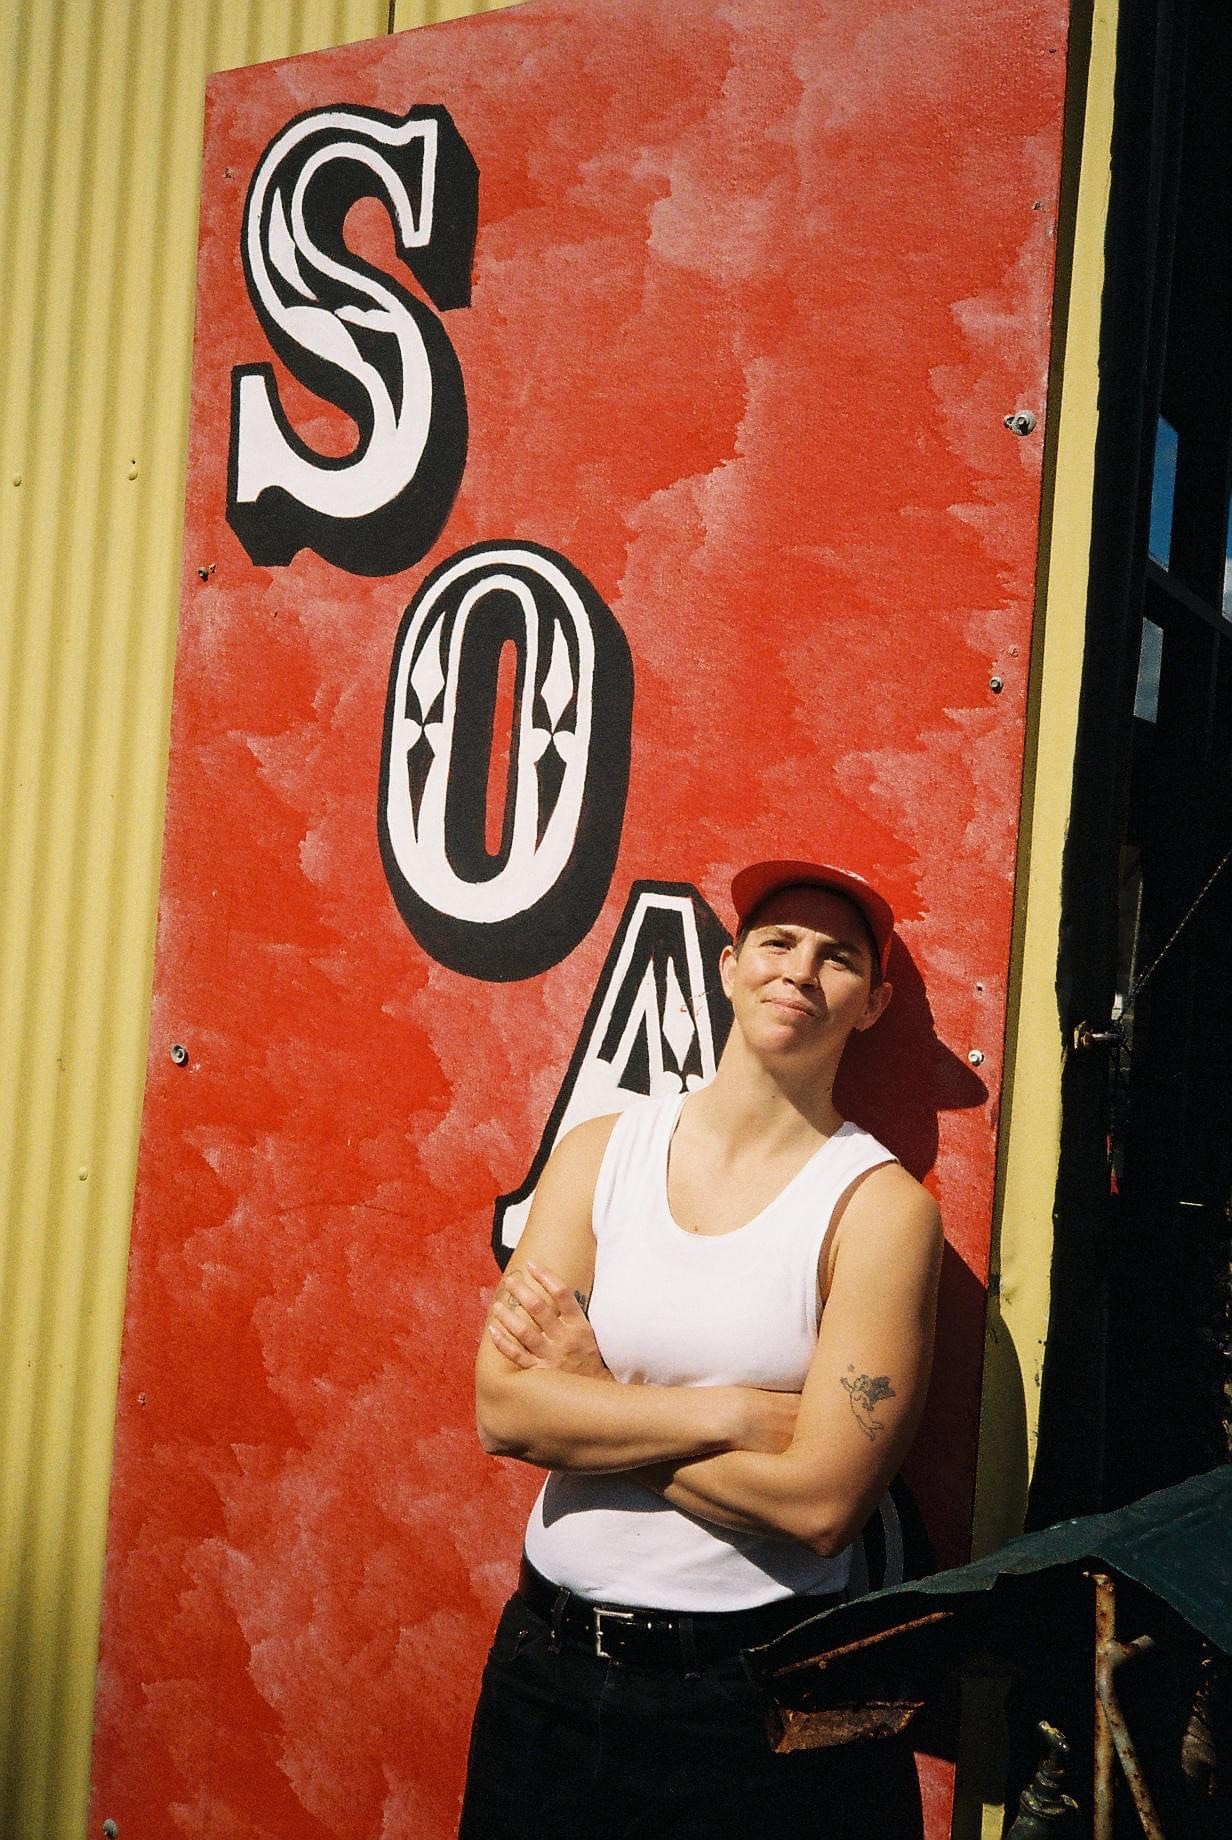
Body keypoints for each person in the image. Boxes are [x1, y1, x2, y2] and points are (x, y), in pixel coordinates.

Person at [459, 859, 943, 1839]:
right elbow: (504, 1411)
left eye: (835, 957)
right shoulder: (600, 1151)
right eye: (775, 942)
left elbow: (817, 1507)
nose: (798, 970)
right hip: (543, 1674)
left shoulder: (881, 1211)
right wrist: (727, 1413)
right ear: (727, 967)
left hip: (744, 1705)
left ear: (871, 1002)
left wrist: (592, 1404)